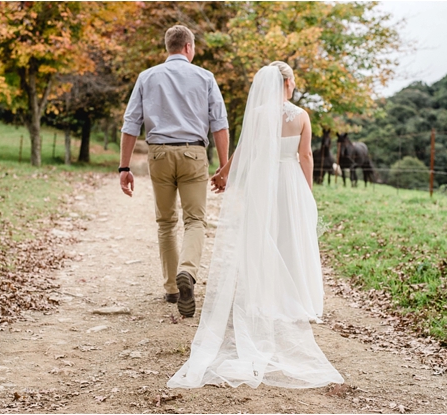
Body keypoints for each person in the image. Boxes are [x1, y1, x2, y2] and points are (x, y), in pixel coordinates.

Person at [167, 62, 344, 389]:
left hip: (264, 184)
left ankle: (263, 297)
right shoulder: (302, 116)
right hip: (290, 182)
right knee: (291, 237)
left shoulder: (259, 114)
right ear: (288, 83)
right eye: (292, 82)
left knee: (263, 238)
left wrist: (225, 174)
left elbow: (245, 148)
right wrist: (307, 191)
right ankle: (292, 300)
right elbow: (306, 157)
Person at [119, 25, 230, 318]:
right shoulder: (205, 77)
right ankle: (187, 272)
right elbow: (219, 123)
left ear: (169, 48)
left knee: (166, 222)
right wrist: (224, 167)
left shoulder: (147, 77)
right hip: (193, 152)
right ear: (188, 48)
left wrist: (124, 167)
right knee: (195, 220)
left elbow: (131, 123)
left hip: (159, 154)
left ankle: (171, 287)